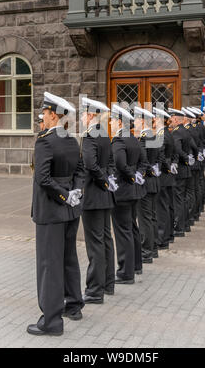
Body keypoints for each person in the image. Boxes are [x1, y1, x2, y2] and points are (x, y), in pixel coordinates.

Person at [27, 92, 85, 336]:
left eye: (44, 114)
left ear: (53, 115)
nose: (43, 117)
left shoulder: (45, 141)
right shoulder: (71, 139)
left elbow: (42, 178)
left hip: (52, 210)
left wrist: (63, 194)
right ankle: (73, 306)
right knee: (68, 258)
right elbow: (81, 171)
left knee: (49, 263)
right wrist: (74, 193)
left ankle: (51, 321)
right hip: (70, 209)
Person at [80, 97, 116, 304]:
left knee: (95, 244)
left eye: (84, 114)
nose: (82, 118)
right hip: (105, 194)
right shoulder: (104, 134)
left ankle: (95, 290)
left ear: (91, 115)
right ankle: (108, 283)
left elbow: (90, 165)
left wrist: (103, 181)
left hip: (93, 195)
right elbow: (110, 162)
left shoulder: (91, 136)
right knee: (106, 240)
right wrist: (108, 180)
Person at [110, 104, 147, 283]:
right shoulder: (133, 139)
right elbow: (143, 162)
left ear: (119, 122)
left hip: (122, 192)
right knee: (132, 228)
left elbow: (120, 164)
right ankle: (136, 265)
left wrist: (132, 176)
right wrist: (137, 176)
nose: (110, 124)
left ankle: (126, 272)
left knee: (123, 231)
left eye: (112, 121)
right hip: (133, 190)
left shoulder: (119, 141)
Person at [134, 106, 161, 263]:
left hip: (146, 182)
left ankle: (146, 252)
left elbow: (143, 162)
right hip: (154, 182)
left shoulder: (144, 138)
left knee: (145, 219)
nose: (134, 122)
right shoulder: (154, 136)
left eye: (136, 120)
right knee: (152, 217)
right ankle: (154, 248)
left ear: (143, 121)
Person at [153, 108, 178, 249]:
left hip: (163, 175)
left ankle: (162, 238)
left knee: (161, 208)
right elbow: (174, 153)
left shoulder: (161, 134)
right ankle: (169, 235)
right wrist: (171, 165)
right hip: (168, 175)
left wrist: (164, 167)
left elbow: (160, 155)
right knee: (168, 206)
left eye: (155, 118)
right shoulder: (168, 133)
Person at [168, 108, 194, 237]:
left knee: (178, 200)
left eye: (172, 119)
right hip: (186, 169)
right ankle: (185, 224)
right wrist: (188, 158)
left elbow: (177, 149)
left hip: (180, 170)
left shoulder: (176, 133)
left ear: (177, 120)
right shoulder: (185, 130)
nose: (170, 121)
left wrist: (185, 158)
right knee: (183, 199)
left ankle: (179, 227)